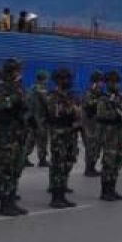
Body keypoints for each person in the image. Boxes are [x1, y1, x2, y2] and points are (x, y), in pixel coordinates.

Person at [0, 58, 29, 216]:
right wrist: (14, 99)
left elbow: (25, 106)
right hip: (5, 135)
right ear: (11, 72)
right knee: (6, 169)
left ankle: (11, 200)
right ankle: (4, 203)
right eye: (17, 71)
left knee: (16, 168)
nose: (20, 74)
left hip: (17, 134)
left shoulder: (18, 87)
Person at [44, 68, 81, 208]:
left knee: (67, 162)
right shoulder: (53, 96)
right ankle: (56, 196)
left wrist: (76, 112)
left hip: (70, 132)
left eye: (69, 78)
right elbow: (57, 113)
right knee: (58, 164)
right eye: (65, 79)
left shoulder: (70, 95)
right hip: (59, 132)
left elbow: (79, 112)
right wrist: (74, 110)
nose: (69, 81)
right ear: (59, 80)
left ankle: (62, 193)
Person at [95, 71, 122, 201]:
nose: (116, 84)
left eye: (117, 82)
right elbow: (101, 114)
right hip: (109, 135)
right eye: (113, 82)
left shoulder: (119, 96)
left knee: (117, 161)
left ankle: (112, 189)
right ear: (107, 83)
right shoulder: (104, 98)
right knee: (109, 162)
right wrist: (117, 115)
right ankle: (105, 191)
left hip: (120, 133)